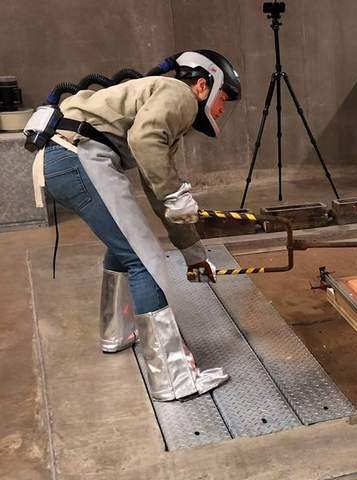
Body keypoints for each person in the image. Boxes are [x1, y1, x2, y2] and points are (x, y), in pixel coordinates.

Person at [37, 50, 241, 400]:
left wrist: (193, 253)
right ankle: (174, 380)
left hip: (63, 159)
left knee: (126, 247)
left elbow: (156, 186)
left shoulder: (163, 107)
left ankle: (118, 331)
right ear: (204, 85)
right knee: (145, 260)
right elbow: (145, 142)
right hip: (79, 157)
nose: (223, 108)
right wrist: (177, 194)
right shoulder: (179, 95)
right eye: (224, 97)